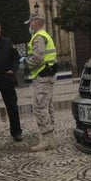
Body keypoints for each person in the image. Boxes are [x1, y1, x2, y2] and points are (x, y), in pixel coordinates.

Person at [24, 14, 59, 152]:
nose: (29, 26)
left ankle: (47, 138)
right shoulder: (45, 35)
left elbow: (38, 57)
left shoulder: (38, 37)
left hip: (42, 74)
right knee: (47, 105)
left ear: (35, 22)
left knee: (39, 107)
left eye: (30, 23)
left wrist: (26, 61)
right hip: (47, 74)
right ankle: (50, 137)